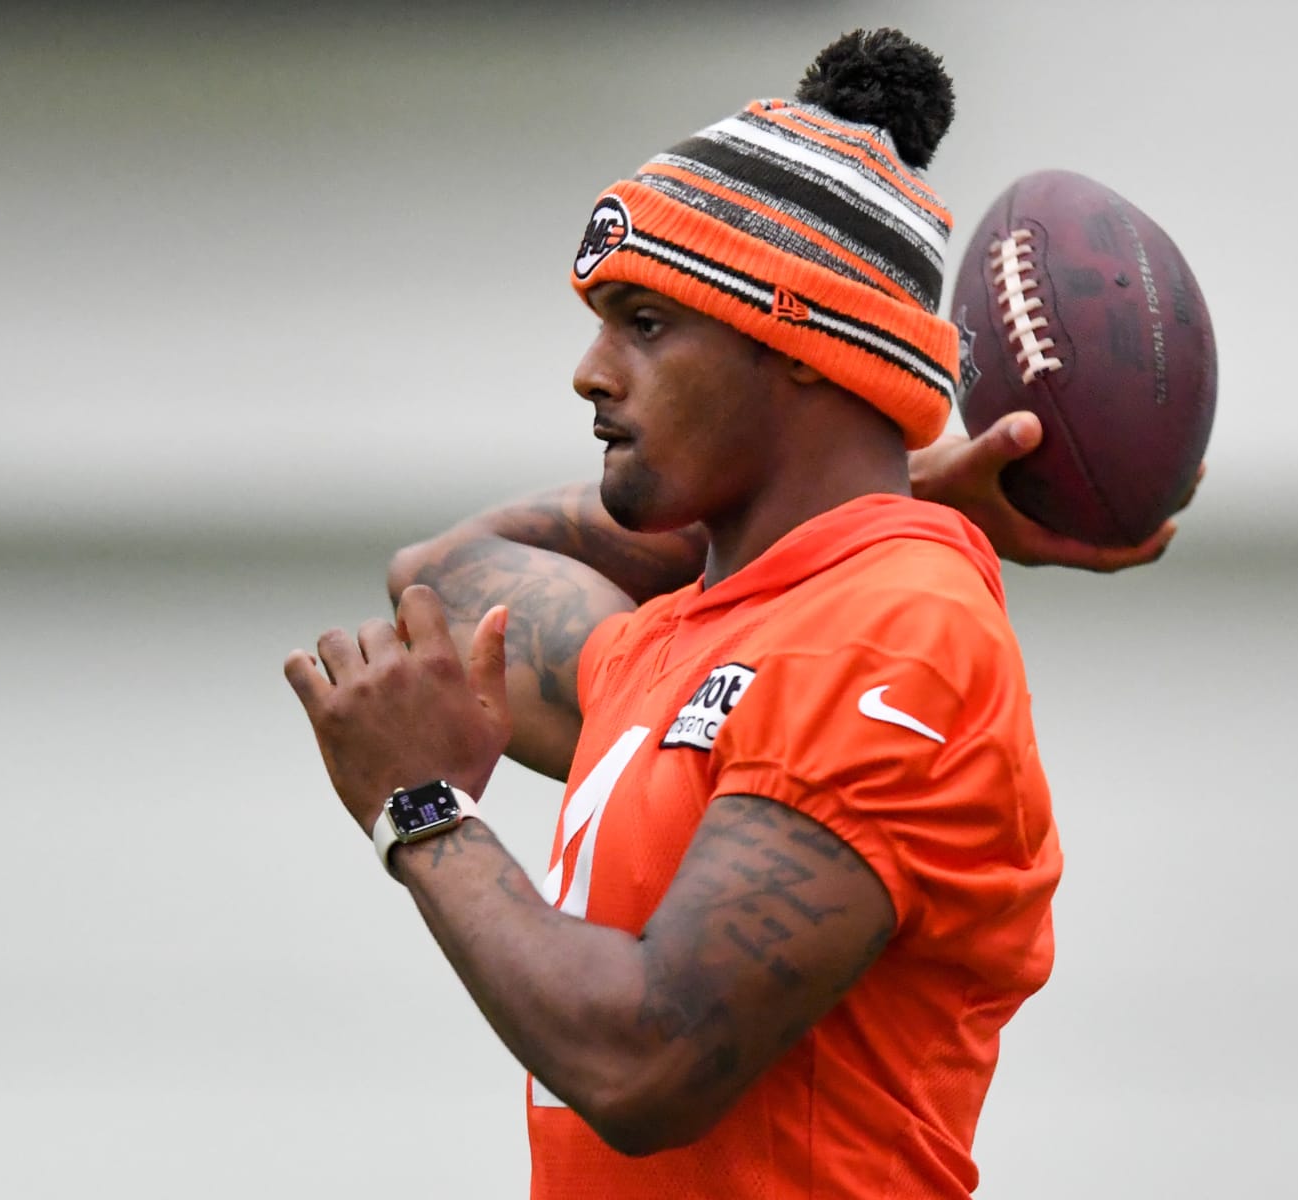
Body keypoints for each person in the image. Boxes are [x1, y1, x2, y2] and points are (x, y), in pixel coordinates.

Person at [284, 29, 1188, 1199]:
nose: (590, 371)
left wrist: (422, 815)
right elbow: (446, 572)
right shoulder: (681, 637)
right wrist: (893, 481)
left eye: (646, 324)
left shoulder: (898, 630)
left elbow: (650, 1057)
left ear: (805, 344)